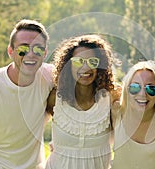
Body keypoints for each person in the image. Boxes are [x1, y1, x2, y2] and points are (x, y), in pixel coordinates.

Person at [0, 19, 54, 169]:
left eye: (38, 49)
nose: (31, 55)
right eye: (23, 49)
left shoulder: (50, 76)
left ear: (45, 53)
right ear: (10, 51)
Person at [45, 34, 120, 169]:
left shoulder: (112, 97)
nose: (85, 67)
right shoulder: (55, 98)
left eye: (92, 62)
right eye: (78, 61)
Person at [111, 61, 155, 169]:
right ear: (127, 90)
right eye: (135, 87)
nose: (142, 94)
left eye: (151, 89)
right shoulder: (116, 113)